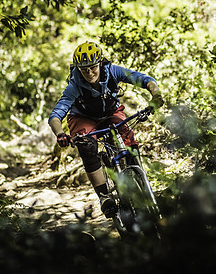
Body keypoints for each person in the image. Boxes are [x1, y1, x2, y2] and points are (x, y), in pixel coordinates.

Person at [48, 41, 163, 218]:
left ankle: (139, 177)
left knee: (126, 133)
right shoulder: (74, 86)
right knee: (86, 146)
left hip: (110, 113)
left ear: (100, 63)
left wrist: (156, 96)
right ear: (77, 68)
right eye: (83, 69)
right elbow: (56, 116)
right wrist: (60, 134)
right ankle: (104, 196)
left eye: (93, 67)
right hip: (83, 118)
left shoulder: (113, 72)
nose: (89, 72)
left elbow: (145, 80)